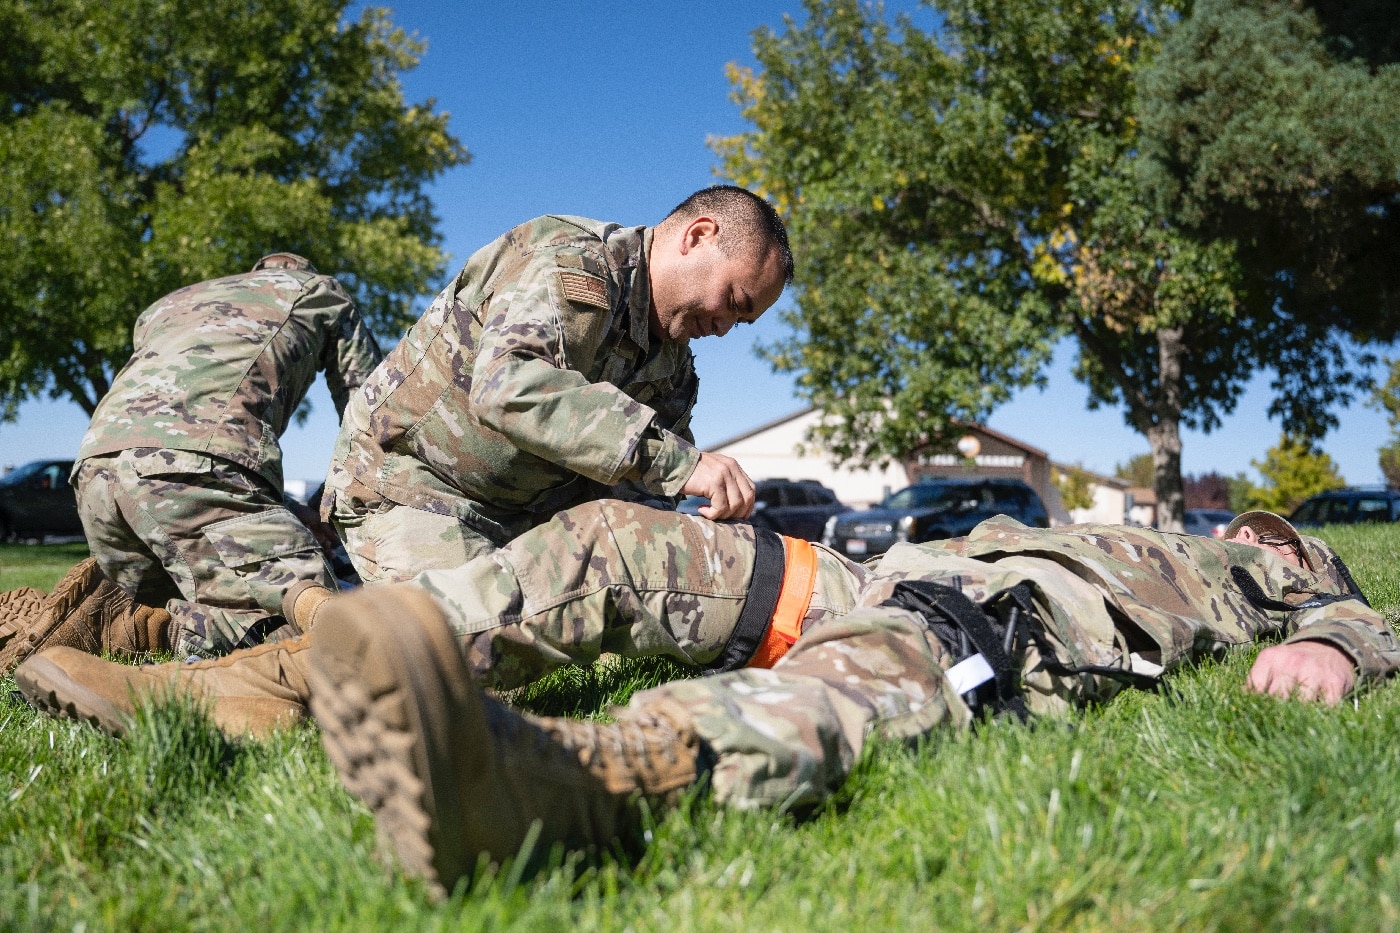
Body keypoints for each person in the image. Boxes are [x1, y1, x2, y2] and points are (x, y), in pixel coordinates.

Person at [15, 506, 1393, 885]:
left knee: (891, 665)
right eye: (1255, 524)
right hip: (880, 560)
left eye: (1278, 533)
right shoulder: (1143, 515)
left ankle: (599, 777)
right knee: (616, 542)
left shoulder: (1265, 580)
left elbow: (1363, 617)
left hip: (984, 616)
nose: (1257, 528)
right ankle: (248, 689)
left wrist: (1330, 645)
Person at [320, 185, 793, 585]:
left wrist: (699, 549)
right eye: (732, 300)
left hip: (522, 520)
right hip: (413, 487)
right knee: (468, 657)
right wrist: (676, 461)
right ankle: (304, 638)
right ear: (699, 235)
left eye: (741, 320)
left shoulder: (672, 368)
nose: (724, 327)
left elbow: (638, 499)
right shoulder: (572, 262)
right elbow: (510, 386)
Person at [0, 254, 383, 671]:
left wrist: (295, 514)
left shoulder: (167, 305)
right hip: (193, 474)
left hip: (95, 478)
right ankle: (140, 625)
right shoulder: (322, 292)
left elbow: (163, 428)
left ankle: (121, 607)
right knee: (319, 628)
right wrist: (342, 508)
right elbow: (375, 411)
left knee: (198, 589)